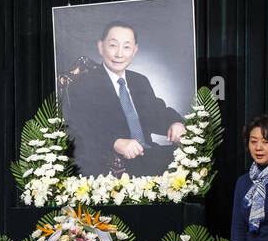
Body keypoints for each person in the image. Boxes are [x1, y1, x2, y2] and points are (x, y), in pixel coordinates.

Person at [63, 21, 187, 178]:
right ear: (101, 47)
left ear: (135, 50)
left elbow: (157, 113)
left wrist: (175, 123)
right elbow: (80, 128)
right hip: (113, 164)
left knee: (195, 159)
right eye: (113, 45)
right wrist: (115, 142)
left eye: (126, 47)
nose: (119, 54)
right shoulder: (84, 84)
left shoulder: (139, 81)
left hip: (148, 155)